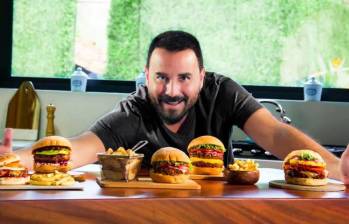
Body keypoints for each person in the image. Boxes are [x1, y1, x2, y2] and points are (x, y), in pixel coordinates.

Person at [1, 31, 348, 183]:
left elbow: (274, 133)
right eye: (161, 78)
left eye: (184, 78)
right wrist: (10, 162)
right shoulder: (134, 111)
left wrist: (335, 168)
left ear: (202, 76)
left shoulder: (223, 91)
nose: (171, 90)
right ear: (146, 78)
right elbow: (78, 149)